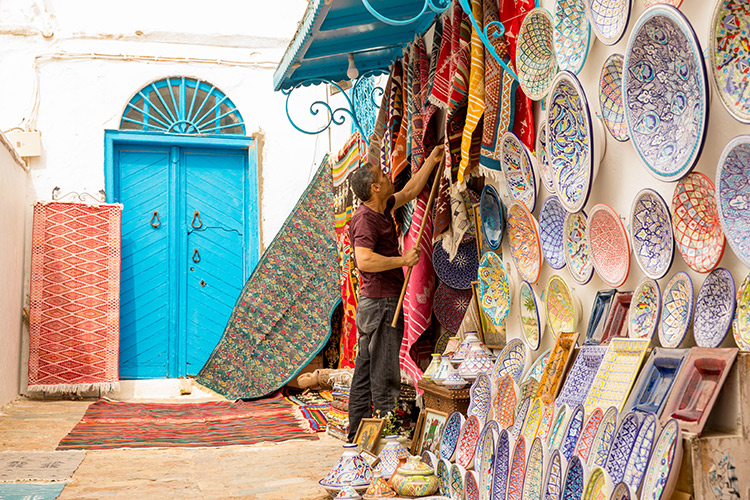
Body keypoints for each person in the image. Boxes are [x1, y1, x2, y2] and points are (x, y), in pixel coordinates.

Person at [346, 146, 444, 442]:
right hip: (381, 303)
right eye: (384, 176)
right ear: (374, 187)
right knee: (384, 370)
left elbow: (412, 189)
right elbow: (364, 260)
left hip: (379, 301)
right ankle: (388, 441)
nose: (390, 176)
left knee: (365, 369)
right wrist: (403, 260)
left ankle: (357, 437)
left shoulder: (383, 206)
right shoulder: (365, 219)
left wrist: (432, 160)